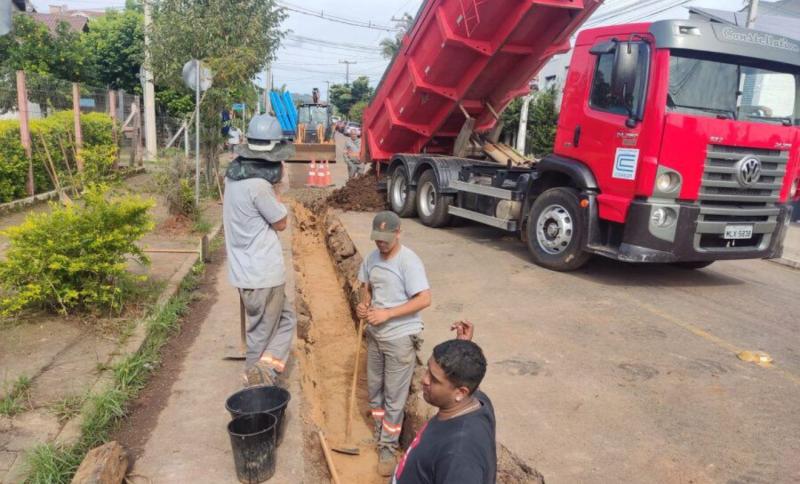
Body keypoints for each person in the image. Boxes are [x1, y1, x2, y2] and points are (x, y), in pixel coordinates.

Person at [223, 114, 298, 387]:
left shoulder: (233, 178)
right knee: (260, 336)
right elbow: (281, 222)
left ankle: (264, 368)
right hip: (263, 275)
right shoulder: (259, 187)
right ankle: (256, 386)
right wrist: (278, 189)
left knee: (287, 319)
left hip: (245, 273)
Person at [356, 211, 432, 477]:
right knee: (375, 388)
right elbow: (365, 284)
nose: (381, 244)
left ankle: (388, 445)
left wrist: (387, 313)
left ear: (399, 233)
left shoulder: (408, 262)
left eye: (386, 239)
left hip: (400, 337)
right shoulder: (371, 258)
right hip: (376, 335)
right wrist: (364, 304)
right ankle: (380, 432)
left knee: (394, 396)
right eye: (377, 238)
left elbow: (424, 299)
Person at [392, 321, 496, 484]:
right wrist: (462, 347)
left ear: (460, 392)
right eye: (428, 370)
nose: (424, 380)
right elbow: (469, 381)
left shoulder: (459, 457)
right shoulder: (478, 401)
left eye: (434, 379)